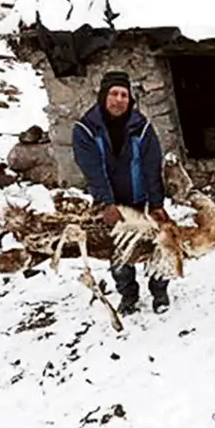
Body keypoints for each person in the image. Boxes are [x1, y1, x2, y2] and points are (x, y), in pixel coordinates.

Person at [72, 70, 171, 315]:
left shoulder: (142, 127)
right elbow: (93, 170)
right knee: (119, 252)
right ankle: (129, 295)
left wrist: (156, 203)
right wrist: (107, 203)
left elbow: (151, 166)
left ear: (130, 99)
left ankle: (159, 290)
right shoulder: (85, 129)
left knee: (158, 246)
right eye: (114, 94)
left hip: (140, 201)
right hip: (111, 205)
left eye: (124, 95)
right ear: (103, 96)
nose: (119, 100)